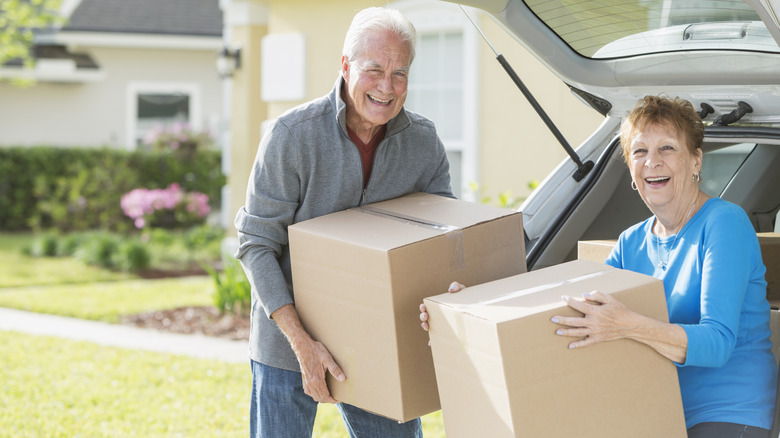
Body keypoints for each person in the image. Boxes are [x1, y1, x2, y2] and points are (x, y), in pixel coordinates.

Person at [420, 95, 777, 437]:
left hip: (727, 414)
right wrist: (475, 310)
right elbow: (569, 313)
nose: (652, 161)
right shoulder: (630, 243)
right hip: (654, 410)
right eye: (640, 151)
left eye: (666, 148)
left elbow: (717, 343)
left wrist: (628, 325)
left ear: (696, 160)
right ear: (632, 171)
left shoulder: (723, 223)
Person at [234, 6, 452, 438]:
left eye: (400, 73)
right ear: (345, 66)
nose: (387, 88)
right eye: (374, 70)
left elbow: (440, 243)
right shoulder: (292, 135)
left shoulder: (423, 143)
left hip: (377, 345)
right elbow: (255, 243)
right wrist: (302, 343)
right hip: (285, 343)